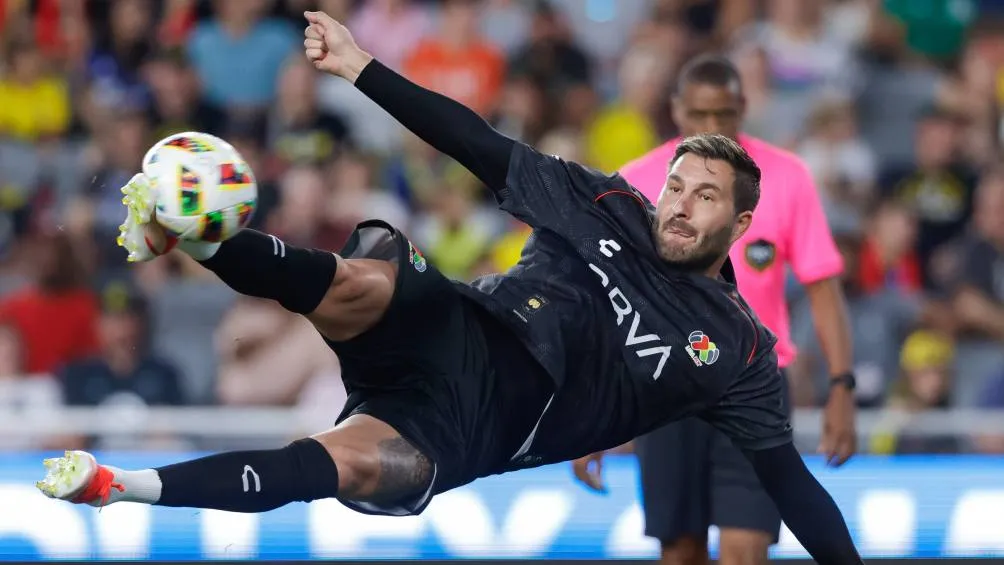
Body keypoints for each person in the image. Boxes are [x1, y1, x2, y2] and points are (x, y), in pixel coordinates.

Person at [36, 12, 863, 565]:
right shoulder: (606, 200)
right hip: (465, 325)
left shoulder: (739, 350)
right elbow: (476, 142)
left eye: (704, 197)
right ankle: (194, 232)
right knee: (367, 278)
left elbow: (790, 483)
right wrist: (360, 66)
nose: (677, 206)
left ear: (741, 222)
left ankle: (122, 486)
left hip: (483, 425)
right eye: (677, 184)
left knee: (354, 466)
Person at [572, 54, 857, 565]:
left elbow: (822, 285)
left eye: (722, 115)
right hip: (664, 382)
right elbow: (608, 299)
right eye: (699, 116)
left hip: (753, 384)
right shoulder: (637, 180)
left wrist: (842, 386)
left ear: (743, 108)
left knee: (745, 547)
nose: (711, 127)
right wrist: (591, 409)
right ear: (677, 111)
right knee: (679, 551)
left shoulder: (785, 177)